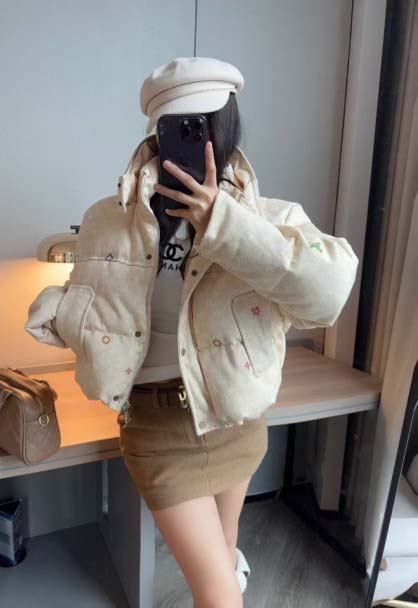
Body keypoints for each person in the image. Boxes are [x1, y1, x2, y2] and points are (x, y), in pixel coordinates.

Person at [25, 57, 359, 607]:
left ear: (224, 129)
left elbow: (327, 297)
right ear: (155, 134)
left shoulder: (267, 219)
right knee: (218, 592)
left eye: (200, 125)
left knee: (224, 557)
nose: (187, 140)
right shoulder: (109, 217)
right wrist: (64, 311)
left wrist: (223, 222)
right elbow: (99, 303)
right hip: (156, 427)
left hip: (234, 415)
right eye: (175, 127)